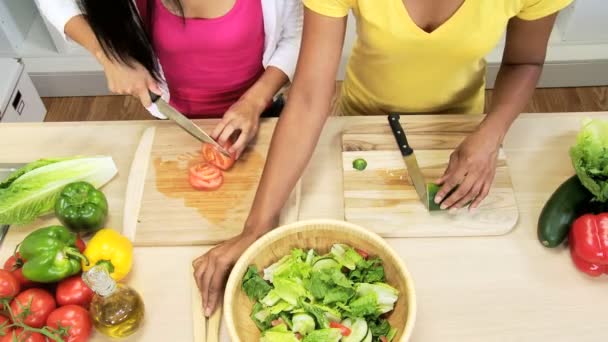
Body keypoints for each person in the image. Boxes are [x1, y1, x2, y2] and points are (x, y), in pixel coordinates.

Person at [192, 0, 574, 316]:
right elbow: (309, 95)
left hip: (462, 129)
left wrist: (492, 134)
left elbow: (525, 62)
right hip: (362, 125)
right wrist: (257, 228)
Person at [37, 0, 303, 158]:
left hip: (263, 113)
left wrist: (255, 101)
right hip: (175, 122)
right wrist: (106, 53)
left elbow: (296, 35)